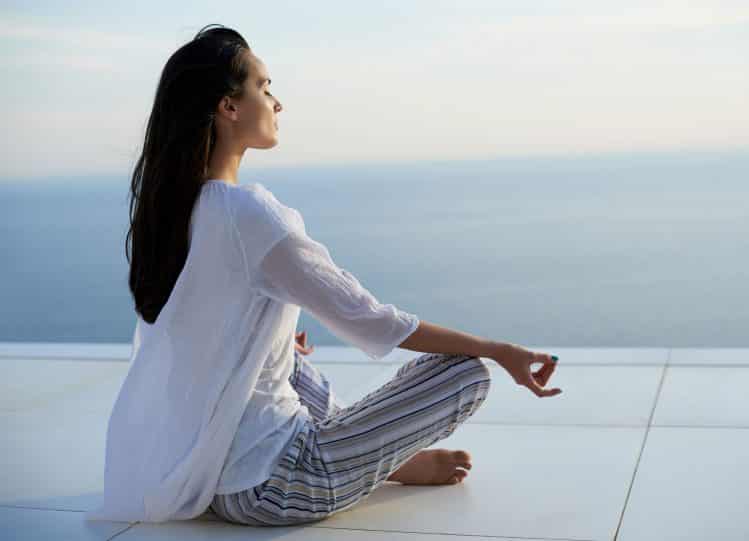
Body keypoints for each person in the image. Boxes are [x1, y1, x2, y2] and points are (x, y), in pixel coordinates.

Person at [84, 23, 562, 526]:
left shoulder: (173, 211)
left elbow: (197, 334)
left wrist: (273, 335)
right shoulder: (252, 216)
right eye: (265, 88)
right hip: (283, 486)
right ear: (229, 107)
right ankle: (390, 461)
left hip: (204, 478)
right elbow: (374, 322)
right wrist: (499, 350)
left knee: (285, 356)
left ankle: (382, 460)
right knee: (466, 372)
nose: (277, 103)